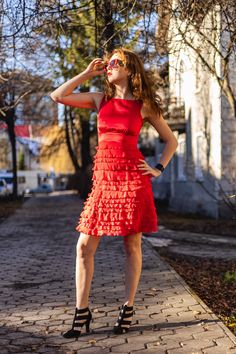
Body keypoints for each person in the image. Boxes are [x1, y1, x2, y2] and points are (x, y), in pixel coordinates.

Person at [50, 47, 178, 338]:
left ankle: (128, 307)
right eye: (107, 63)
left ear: (130, 69)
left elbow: (171, 141)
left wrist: (158, 167)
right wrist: (87, 73)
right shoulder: (100, 99)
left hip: (132, 179)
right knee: (84, 246)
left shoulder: (144, 105)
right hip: (103, 181)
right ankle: (82, 311)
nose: (109, 66)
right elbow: (57, 96)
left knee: (131, 245)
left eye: (115, 62)